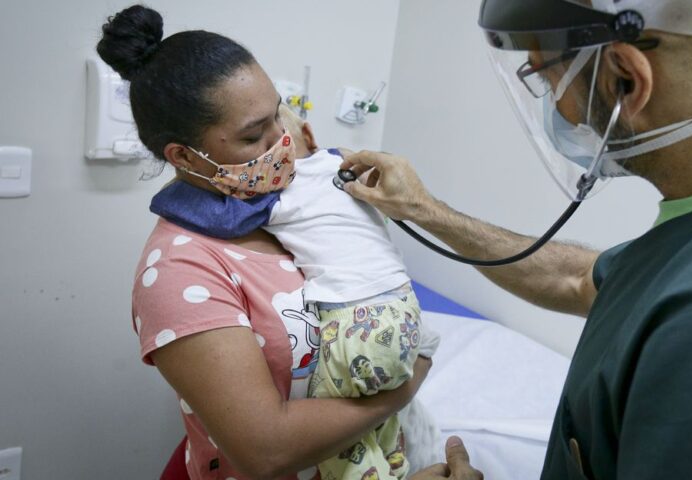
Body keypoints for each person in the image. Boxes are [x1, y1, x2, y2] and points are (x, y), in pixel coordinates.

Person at [337, 0, 692, 478]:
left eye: (545, 77)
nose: (554, 107)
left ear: (628, 79)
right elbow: (581, 279)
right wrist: (423, 209)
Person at [97, 5, 476, 480]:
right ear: (183, 156)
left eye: (279, 114)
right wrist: (401, 388)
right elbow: (267, 451)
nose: (282, 142)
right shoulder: (177, 271)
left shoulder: (292, 201)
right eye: (254, 135)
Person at [152, 99, 445, 478]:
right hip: (404, 313)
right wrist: (400, 392)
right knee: (375, 426)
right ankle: (393, 464)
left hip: (360, 324)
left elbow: (218, 216)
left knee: (340, 431)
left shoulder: (279, 197)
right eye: (254, 138)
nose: (270, 157)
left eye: (276, 133)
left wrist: (175, 196)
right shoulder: (341, 172)